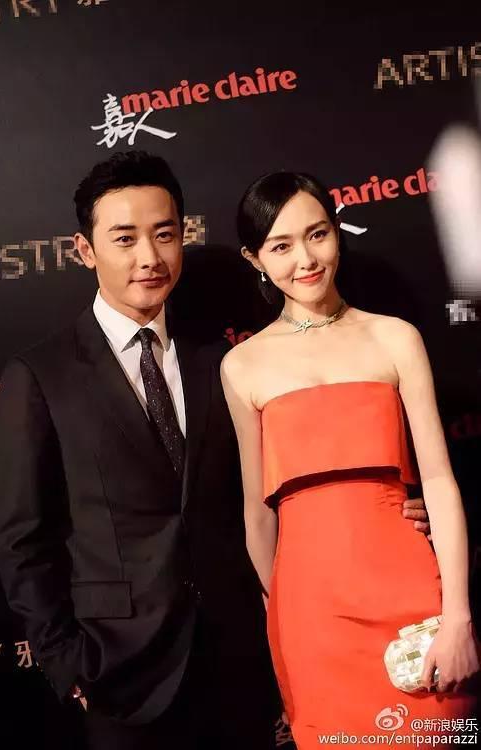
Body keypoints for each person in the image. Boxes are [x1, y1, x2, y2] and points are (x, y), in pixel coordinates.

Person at [0, 152, 430, 750]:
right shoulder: (41, 375)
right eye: (125, 239)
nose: (149, 257)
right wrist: (66, 662)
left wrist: (387, 516)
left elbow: (278, 486)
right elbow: (23, 539)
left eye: (164, 234)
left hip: (238, 660)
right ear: (85, 250)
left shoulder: (221, 360)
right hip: (118, 674)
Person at [220, 171, 480, 749]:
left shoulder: (395, 338)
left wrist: (458, 615)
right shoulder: (242, 366)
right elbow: (258, 516)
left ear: (337, 233)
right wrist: (280, 615)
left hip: (410, 593)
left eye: (317, 234)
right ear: (255, 259)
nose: (306, 259)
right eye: (281, 246)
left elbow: (439, 480)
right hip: (310, 611)